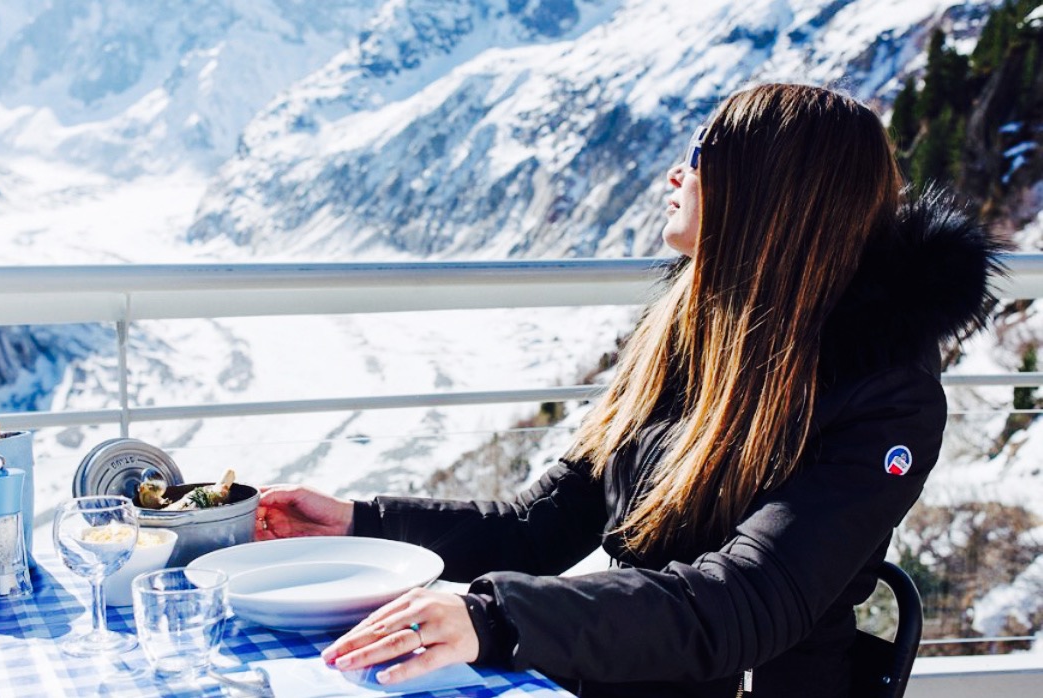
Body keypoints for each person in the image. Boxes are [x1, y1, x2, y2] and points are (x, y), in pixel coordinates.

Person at [254, 83, 1003, 697]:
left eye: (699, 157)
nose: (675, 174)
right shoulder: (691, 326)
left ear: (767, 196)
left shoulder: (884, 389)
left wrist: (495, 616)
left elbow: (746, 601)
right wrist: (361, 521)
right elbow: (542, 523)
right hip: (628, 678)